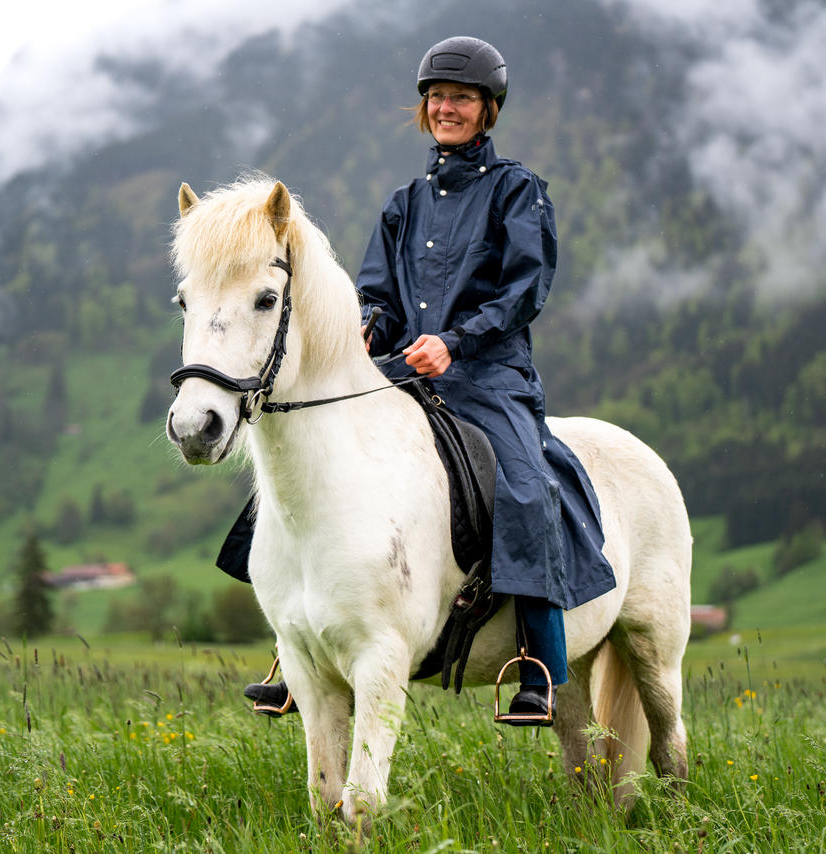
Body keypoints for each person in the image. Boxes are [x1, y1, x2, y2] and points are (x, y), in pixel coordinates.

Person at [246, 35, 616, 724]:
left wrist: (455, 341)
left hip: (490, 378)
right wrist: (367, 328)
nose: (447, 108)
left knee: (527, 491)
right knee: (299, 468)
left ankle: (539, 664)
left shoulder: (517, 191)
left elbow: (525, 290)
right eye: (438, 97)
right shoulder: (402, 203)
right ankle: (294, 654)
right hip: (404, 376)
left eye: (463, 99)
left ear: (489, 110)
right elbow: (379, 292)